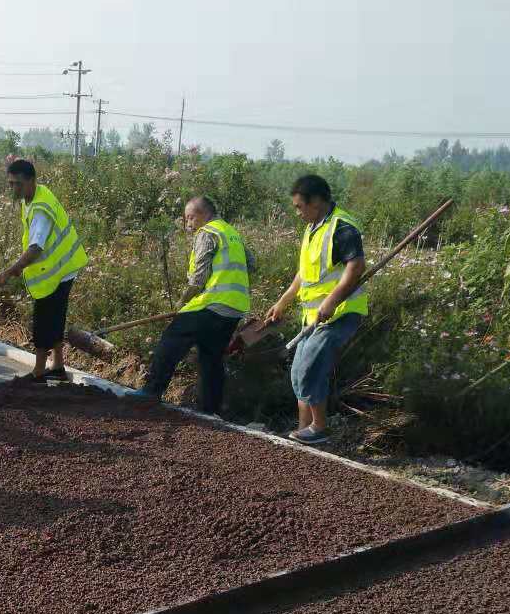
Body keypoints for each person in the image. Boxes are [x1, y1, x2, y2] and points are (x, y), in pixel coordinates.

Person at [264, 174, 367, 444]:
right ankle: (304, 429)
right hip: (313, 317)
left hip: (340, 313)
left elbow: (355, 267)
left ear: (317, 201)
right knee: (298, 370)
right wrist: (283, 301)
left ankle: (319, 428)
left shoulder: (342, 227)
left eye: (299, 206)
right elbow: (304, 274)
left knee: (309, 367)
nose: (297, 212)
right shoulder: (313, 228)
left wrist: (332, 301)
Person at [136, 195, 251, 415]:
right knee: (211, 357)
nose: (188, 224)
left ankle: (151, 391)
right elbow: (251, 263)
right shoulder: (231, 233)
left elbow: (198, 278)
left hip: (212, 303)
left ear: (204, 214)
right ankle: (210, 410)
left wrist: (182, 303)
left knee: (171, 340)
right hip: (235, 308)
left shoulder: (207, 233)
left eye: (190, 218)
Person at [0, 159, 87, 382]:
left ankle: (38, 371)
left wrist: (11, 270)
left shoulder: (40, 209)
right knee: (55, 318)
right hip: (61, 268)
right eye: (11, 184)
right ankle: (57, 367)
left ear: (31, 181)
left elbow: (36, 248)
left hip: (57, 271)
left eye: (18, 184)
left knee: (44, 320)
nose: (14, 189)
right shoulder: (36, 195)